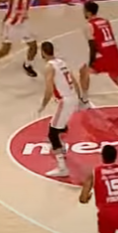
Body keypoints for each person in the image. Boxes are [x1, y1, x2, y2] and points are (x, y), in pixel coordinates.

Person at [79, 1, 118, 111]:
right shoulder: (105, 21)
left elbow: (92, 46)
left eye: (84, 11)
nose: (83, 13)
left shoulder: (89, 26)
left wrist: (91, 62)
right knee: (115, 77)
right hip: (113, 52)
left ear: (88, 12)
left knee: (84, 71)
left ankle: (84, 100)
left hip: (102, 54)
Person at [38, 41, 82, 177]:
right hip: (73, 97)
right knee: (60, 126)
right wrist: (80, 97)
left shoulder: (49, 67)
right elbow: (74, 81)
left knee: (52, 133)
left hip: (65, 100)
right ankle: (61, 148)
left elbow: (49, 89)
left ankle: (62, 168)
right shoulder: (62, 62)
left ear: (42, 52)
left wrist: (43, 104)